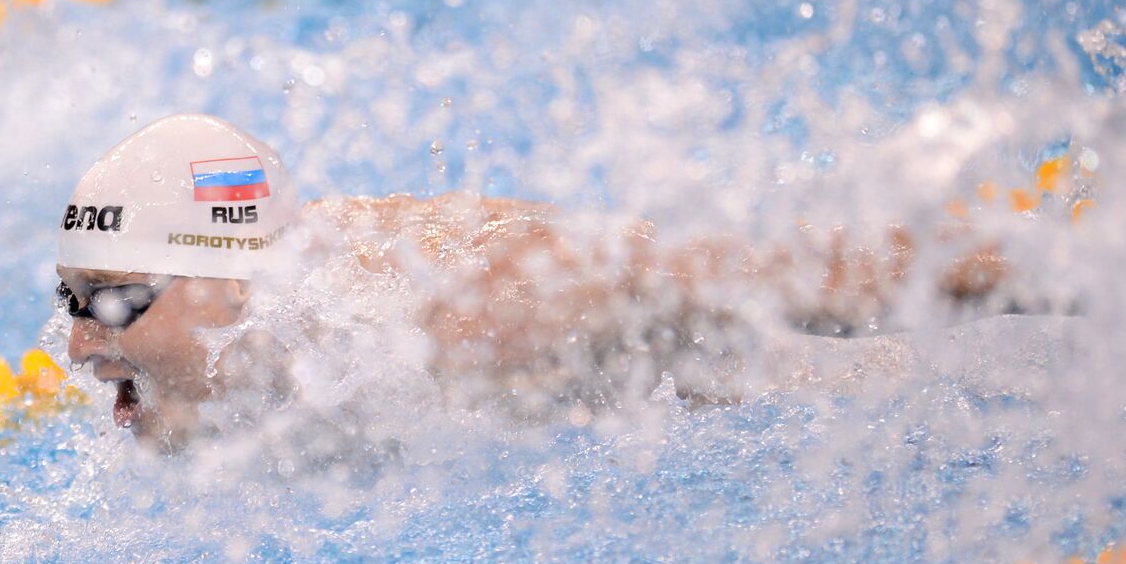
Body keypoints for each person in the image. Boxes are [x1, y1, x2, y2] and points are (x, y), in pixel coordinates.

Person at [58, 114, 1006, 449]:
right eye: (70, 299)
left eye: (111, 301)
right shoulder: (200, 404)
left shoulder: (453, 317)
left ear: (235, 285)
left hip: (900, 392)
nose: (77, 344)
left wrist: (1059, 273)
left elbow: (765, 270)